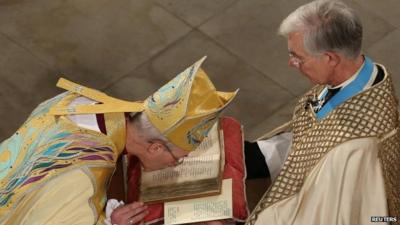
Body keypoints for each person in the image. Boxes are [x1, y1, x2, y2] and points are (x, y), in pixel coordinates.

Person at [0, 57, 238, 225]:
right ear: (155, 147)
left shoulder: (84, 101)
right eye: (177, 159)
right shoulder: (87, 174)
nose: (175, 166)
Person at [244, 1, 400, 224]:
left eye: (298, 57)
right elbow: (313, 126)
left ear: (330, 58)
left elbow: (318, 213)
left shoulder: (352, 149)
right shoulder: (361, 73)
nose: (291, 63)